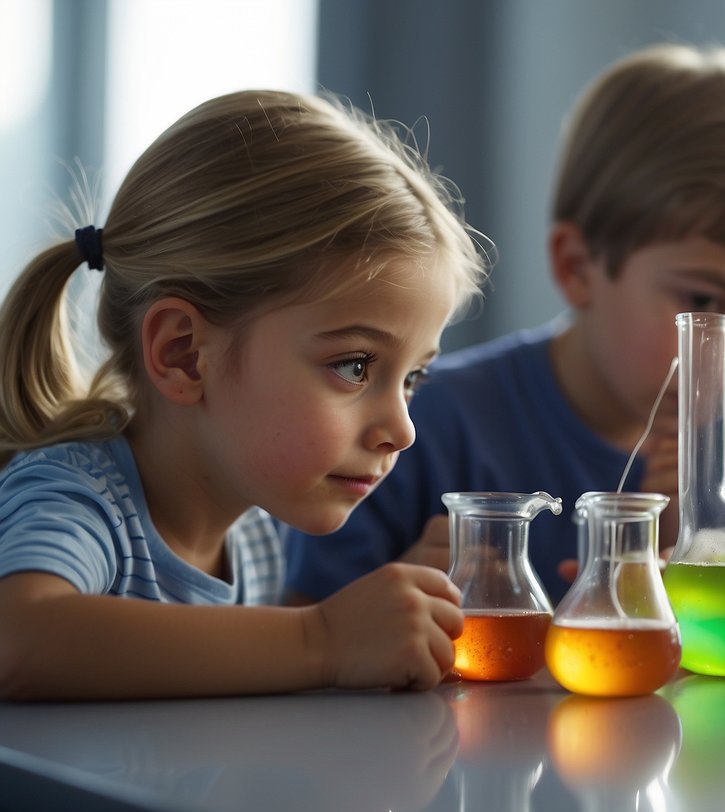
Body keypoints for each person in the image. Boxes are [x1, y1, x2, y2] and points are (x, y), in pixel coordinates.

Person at [285, 42, 725, 603]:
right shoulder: (422, 425)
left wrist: (718, 565)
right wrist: (406, 592)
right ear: (577, 267)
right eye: (708, 303)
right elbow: (308, 636)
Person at [0, 89, 489, 700]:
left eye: (412, 378)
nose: (404, 428)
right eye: (355, 366)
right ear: (183, 354)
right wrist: (322, 640)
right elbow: (17, 640)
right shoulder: (81, 497)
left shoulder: (252, 536)